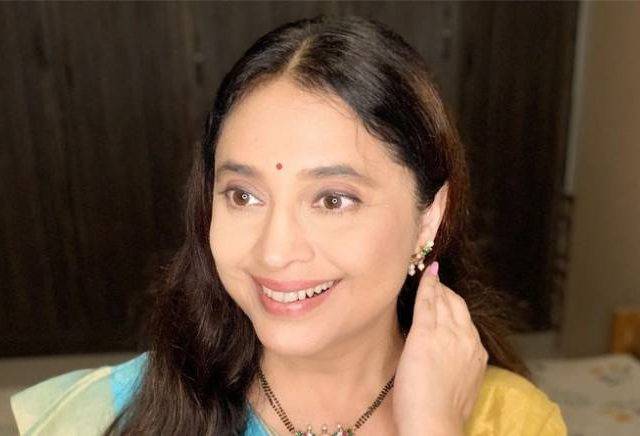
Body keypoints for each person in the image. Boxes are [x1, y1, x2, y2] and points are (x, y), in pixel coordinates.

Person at [10, 14, 567, 436]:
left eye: (333, 200)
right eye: (244, 195)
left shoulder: (509, 419)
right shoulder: (119, 414)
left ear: (429, 218)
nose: (274, 252)